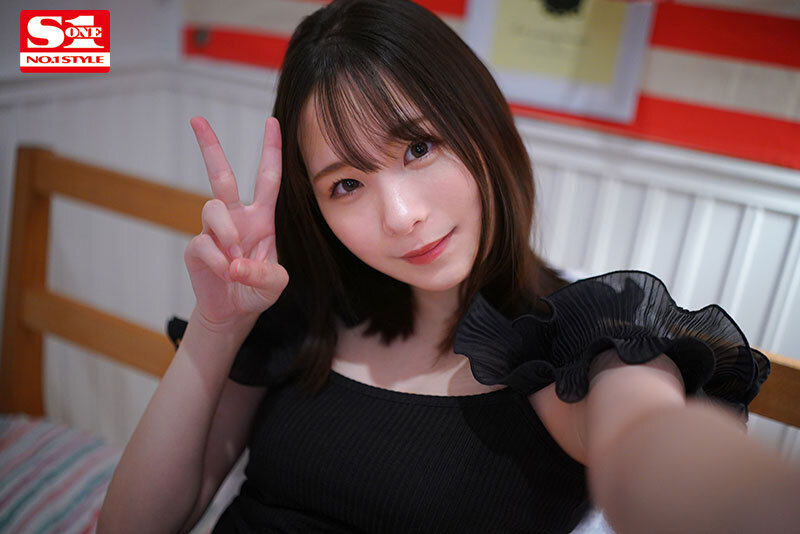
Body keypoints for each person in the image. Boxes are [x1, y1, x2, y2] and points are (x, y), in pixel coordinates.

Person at [97, 1, 800, 533]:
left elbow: (648, 441)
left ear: (481, 122)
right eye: (347, 184)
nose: (401, 215)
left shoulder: (576, 344)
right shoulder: (299, 315)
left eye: (418, 147)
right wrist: (215, 329)